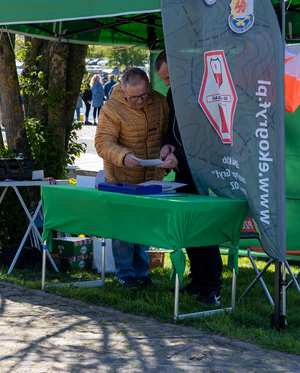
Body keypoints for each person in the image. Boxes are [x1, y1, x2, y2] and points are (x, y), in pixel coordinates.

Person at [94, 67, 174, 288]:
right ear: (123, 92)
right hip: (122, 178)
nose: (140, 101)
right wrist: (123, 155)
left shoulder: (160, 102)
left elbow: (169, 132)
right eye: (133, 97)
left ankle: (142, 273)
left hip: (152, 178)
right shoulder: (111, 108)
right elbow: (102, 143)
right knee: (123, 229)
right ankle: (125, 274)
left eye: (144, 95)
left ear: (149, 86)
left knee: (144, 227)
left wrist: (169, 150)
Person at [155, 51, 223, 306]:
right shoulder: (174, 94)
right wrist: (168, 146)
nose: (167, 84)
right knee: (189, 227)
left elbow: (209, 137)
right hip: (184, 170)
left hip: (206, 170)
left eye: (169, 77)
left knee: (204, 228)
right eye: (163, 79)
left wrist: (179, 156)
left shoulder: (206, 89)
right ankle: (197, 279)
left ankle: (213, 286)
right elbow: (175, 128)